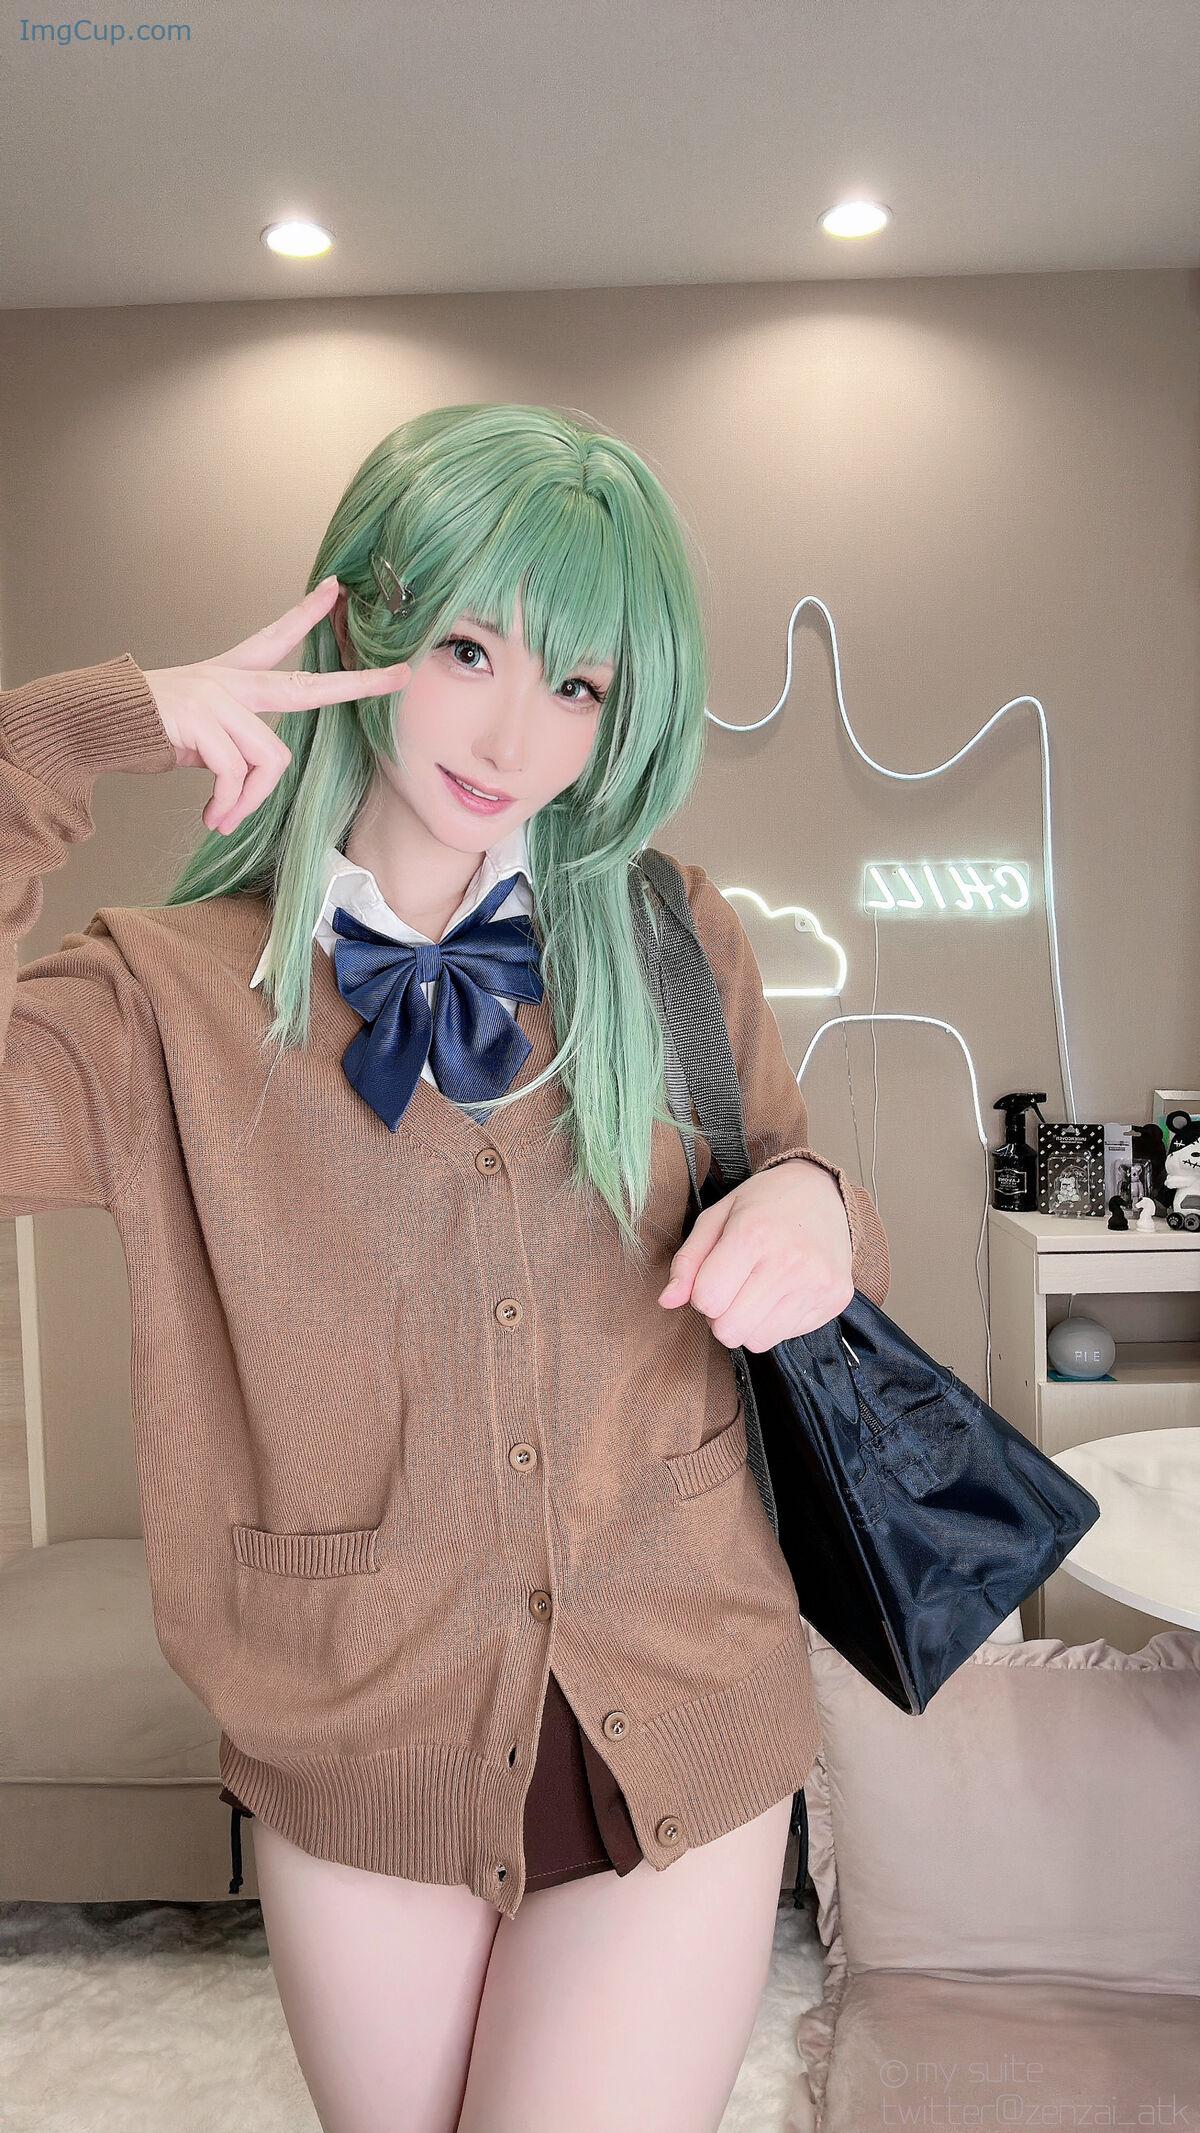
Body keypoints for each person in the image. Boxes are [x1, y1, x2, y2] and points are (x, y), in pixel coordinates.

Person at [0, 401, 889, 2133]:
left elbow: (789, 1174)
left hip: (682, 1695)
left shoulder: (670, 936)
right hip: (355, 1731)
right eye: (470, 649)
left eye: (578, 685)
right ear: (362, 621)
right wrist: (67, 735)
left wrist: (819, 1207)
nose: (512, 732)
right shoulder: (165, 1000)